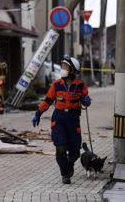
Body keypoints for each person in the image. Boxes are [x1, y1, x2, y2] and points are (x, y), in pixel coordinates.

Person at [32, 55, 91, 184]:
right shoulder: (56, 85)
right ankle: (65, 174)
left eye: (65, 67)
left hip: (73, 119)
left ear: (72, 70)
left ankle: (69, 165)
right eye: (63, 66)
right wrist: (38, 113)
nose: (62, 69)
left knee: (75, 151)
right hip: (59, 118)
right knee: (61, 148)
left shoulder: (80, 86)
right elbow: (47, 100)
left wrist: (86, 101)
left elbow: (86, 100)